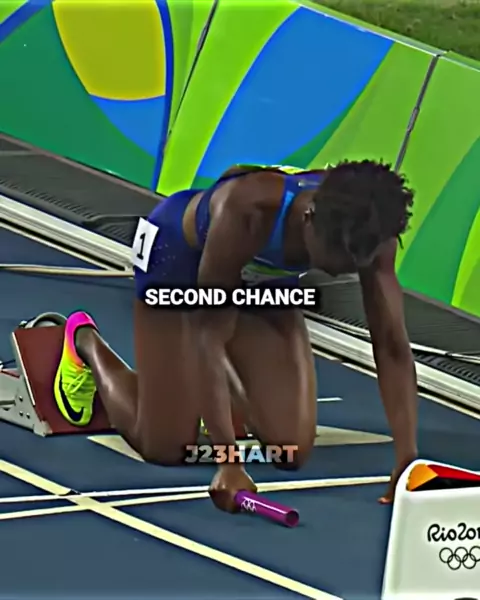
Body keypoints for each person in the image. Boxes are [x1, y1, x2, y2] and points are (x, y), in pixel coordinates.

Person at [53, 160, 417, 511]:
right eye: (336, 255)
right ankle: (84, 341)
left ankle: (210, 385)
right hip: (178, 263)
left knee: (289, 449)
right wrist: (228, 462)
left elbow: (391, 345)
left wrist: (407, 459)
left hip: (263, 282)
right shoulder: (247, 209)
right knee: (165, 446)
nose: (341, 270)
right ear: (309, 217)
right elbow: (207, 338)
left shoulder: (371, 230)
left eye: (354, 262)